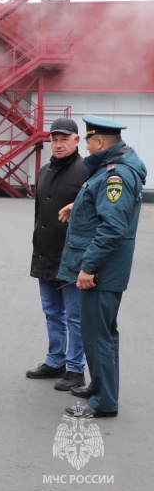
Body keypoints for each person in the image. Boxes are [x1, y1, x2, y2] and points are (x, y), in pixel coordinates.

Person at [59, 115, 147, 418]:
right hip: (105, 271)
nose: (86, 145)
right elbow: (106, 210)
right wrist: (79, 205)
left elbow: (112, 227)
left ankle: (104, 402)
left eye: (88, 140)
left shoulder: (115, 175)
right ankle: (100, 388)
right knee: (99, 333)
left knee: (99, 335)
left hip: (102, 273)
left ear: (99, 142)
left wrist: (88, 267)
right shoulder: (112, 170)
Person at [25, 118, 88, 391]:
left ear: (77, 140)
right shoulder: (44, 171)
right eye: (54, 139)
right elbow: (40, 215)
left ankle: (76, 369)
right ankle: (55, 361)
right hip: (46, 253)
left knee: (75, 316)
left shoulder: (87, 171)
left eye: (64, 139)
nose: (58, 144)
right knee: (52, 312)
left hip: (72, 258)